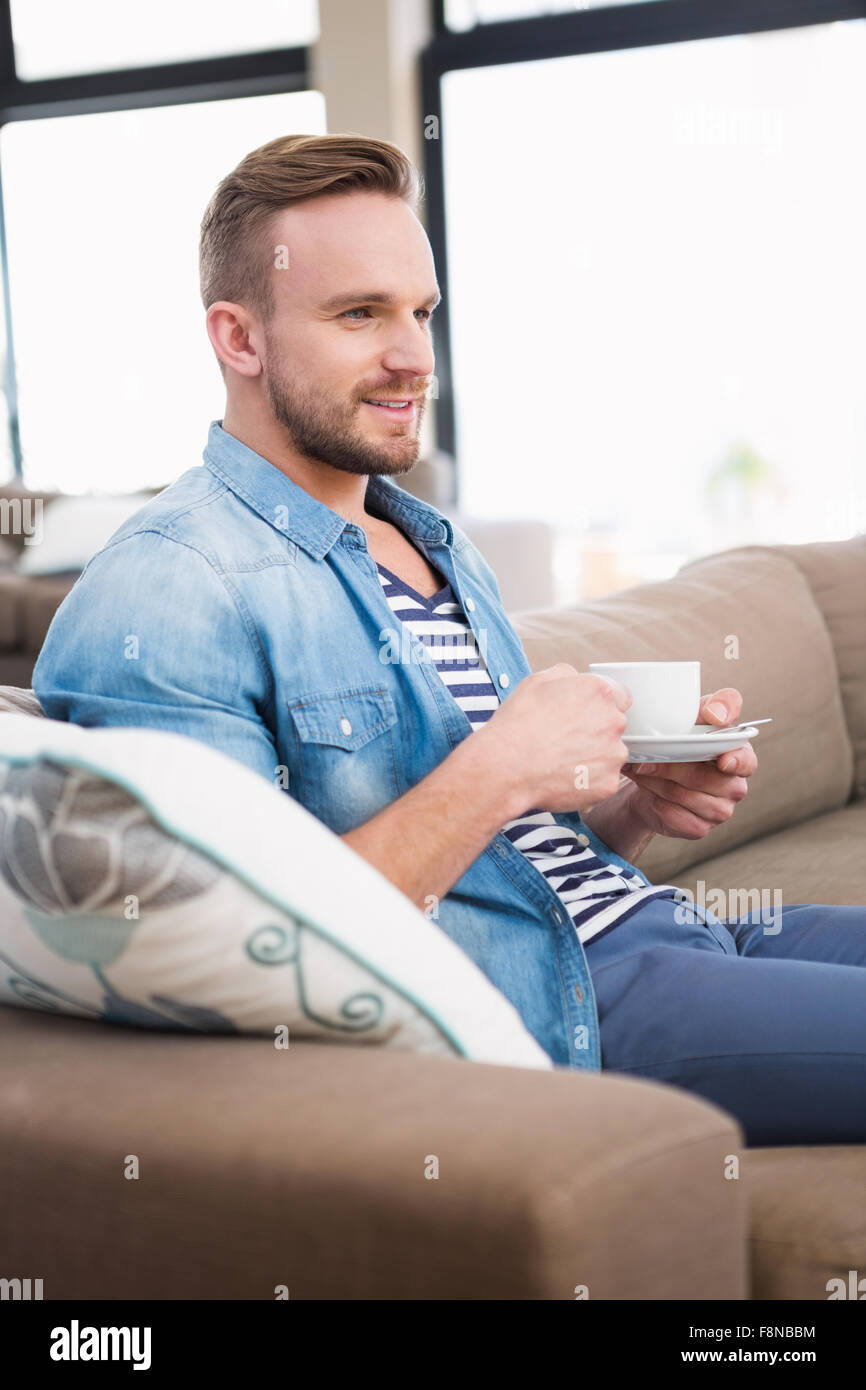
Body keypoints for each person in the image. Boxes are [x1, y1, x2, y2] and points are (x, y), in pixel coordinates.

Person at [34, 133, 866, 1146]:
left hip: (667, 929)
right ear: (238, 339)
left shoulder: (429, 542)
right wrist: (505, 766)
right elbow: (240, 950)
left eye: (419, 312)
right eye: (359, 314)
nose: (412, 358)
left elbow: (509, 859)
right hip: (575, 1010)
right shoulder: (168, 586)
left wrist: (625, 804)